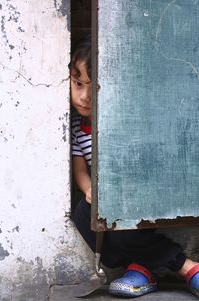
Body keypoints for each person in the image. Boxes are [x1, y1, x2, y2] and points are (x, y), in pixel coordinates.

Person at [70, 35, 199, 298]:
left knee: (126, 224)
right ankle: (143, 267)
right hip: (102, 201)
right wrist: (89, 189)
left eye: (93, 87)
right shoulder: (73, 128)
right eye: (77, 83)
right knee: (83, 216)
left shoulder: (122, 118)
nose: (83, 97)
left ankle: (185, 268)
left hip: (132, 197)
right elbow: (79, 169)